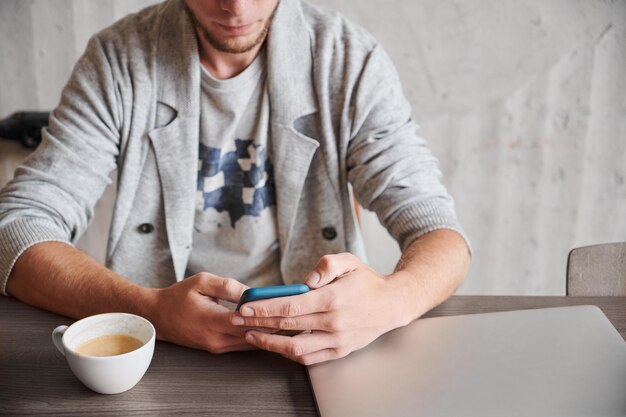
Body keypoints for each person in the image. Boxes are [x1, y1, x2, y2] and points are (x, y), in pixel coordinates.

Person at [0, 0, 471, 365]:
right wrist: (149, 309)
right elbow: (15, 229)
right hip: (161, 348)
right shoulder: (119, 62)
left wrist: (393, 301)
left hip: (324, 350)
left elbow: (440, 232)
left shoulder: (350, 63)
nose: (237, 8)